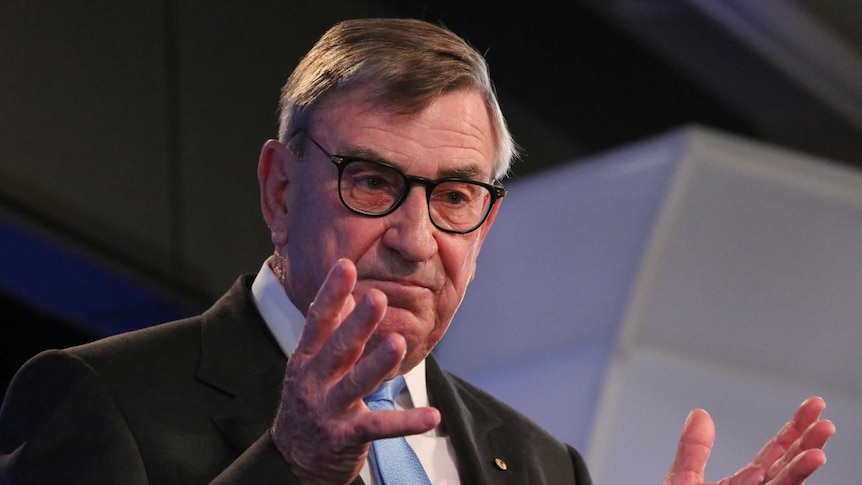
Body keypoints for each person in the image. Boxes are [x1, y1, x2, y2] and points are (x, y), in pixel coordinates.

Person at [0, 17, 834, 485]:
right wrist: (296, 464)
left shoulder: (544, 465)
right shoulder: (100, 400)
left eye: (456, 196)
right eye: (370, 181)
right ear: (280, 191)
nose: (415, 237)